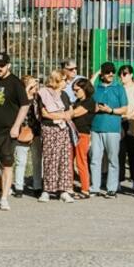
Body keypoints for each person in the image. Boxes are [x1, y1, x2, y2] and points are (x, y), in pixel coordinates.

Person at [0, 52, 29, 211]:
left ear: (8, 65)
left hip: (7, 131)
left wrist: (16, 126)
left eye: (2, 65)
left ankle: (3, 198)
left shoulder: (15, 83)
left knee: (6, 164)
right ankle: (4, 186)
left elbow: (24, 105)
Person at [89, 62, 127, 198]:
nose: (111, 74)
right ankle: (94, 187)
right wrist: (97, 73)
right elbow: (88, 86)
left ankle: (112, 188)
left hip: (112, 128)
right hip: (95, 128)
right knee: (95, 159)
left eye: (112, 71)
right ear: (102, 74)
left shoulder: (119, 88)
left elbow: (124, 109)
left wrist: (110, 110)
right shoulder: (96, 87)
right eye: (107, 72)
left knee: (112, 159)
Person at [37, 70, 74, 203]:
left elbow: (70, 111)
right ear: (57, 81)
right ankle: (47, 190)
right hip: (49, 129)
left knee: (64, 159)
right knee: (50, 159)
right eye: (64, 80)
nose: (67, 82)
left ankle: (63, 190)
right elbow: (45, 113)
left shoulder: (64, 95)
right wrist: (61, 115)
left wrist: (65, 115)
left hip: (63, 129)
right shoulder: (43, 93)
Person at [13, 75, 42, 198]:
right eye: (31, 85)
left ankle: (37, 186)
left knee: (37, 160)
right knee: (20, 161)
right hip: (23, 131)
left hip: (36, 132)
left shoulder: (38, 98)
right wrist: (27, 89)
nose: (34, 87)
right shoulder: (20, 98)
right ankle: (19, 187)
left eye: (35, 85)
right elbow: (20, 106)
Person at [118, 64, 134, 191]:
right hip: (119, 120)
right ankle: (118, 180)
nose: (122, 76)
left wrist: (133, 116)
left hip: (133, 121)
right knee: (119, 152)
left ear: (131, 74)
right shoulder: (118, 88)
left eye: (125, 73)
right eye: (121, 74)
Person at [71, 77, 96, 199]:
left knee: (81, 161)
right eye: (73, 90)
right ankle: (68, 187)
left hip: (82, 134)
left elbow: (75, 113)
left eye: (77, 89)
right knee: (69, 161)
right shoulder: (77, 101)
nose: (75, 92)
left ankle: (85, 189)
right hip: (72, 133)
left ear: (84, 89)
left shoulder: (89, 102)